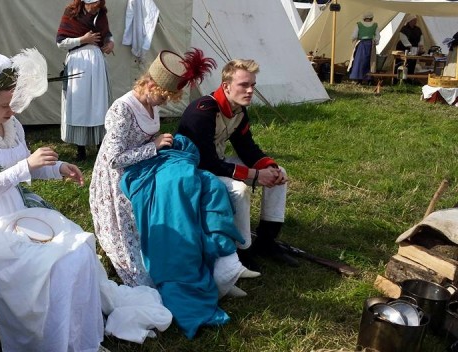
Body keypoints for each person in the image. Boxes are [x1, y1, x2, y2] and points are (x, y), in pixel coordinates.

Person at [0, 50, 107, 352]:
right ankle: (36, 341)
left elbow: (25, 167)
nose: (13, 111)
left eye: (15, 103)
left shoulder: (12, 125)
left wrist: (57, 170)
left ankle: (71, 339)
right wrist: (26, 166)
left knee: (78, 252)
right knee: (50, 267)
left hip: (17, 207)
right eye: (5, 105)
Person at [90, 49, 260, 288]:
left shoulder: (151, 103)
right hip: (118, 181)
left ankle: (214, 262)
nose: (165, 101)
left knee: (189, 191)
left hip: (144, 170)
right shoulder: (122, 109)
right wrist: (154, 146)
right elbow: (114, 159)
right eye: (164, 96)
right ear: (149, 84)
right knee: (139, 257)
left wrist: (159, 144)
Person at [177, 59, 298, 268]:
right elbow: (206, 163)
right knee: (239, 190)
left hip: (215, 164)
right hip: (193, 172)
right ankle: (243, 250)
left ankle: (267, 241)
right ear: (226, 86)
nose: (250, 90)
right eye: (244, 85)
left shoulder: (239, 110)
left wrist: (269, 168)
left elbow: (246, 147)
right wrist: (255, 175)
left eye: (253, 85)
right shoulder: (202, 111)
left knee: (279, 173)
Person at [56, 0, 114, 161]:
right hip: (78, 63)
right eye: (93, 3)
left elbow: (107, 34)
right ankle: (80, 148)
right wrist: (83, 39)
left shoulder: (101, 14)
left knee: (98, 102)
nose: (96, 6)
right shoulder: (71, 14)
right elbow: (60, 42)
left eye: (98, 2)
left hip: (96, 63)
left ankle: (100, 145)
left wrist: (110, 43)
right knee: (79, 103)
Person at [349, 12, 380, 84]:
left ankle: (359, 79)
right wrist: (376, 42)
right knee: (370, 62)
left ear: (364, 18)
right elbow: (377, 36)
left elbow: (355, 35)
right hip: (370, 45)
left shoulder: (359, 25)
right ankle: (369, 79)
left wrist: (353, 39)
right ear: (371, 18)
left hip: (361, 44)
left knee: (359, 62)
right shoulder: (375, 25)